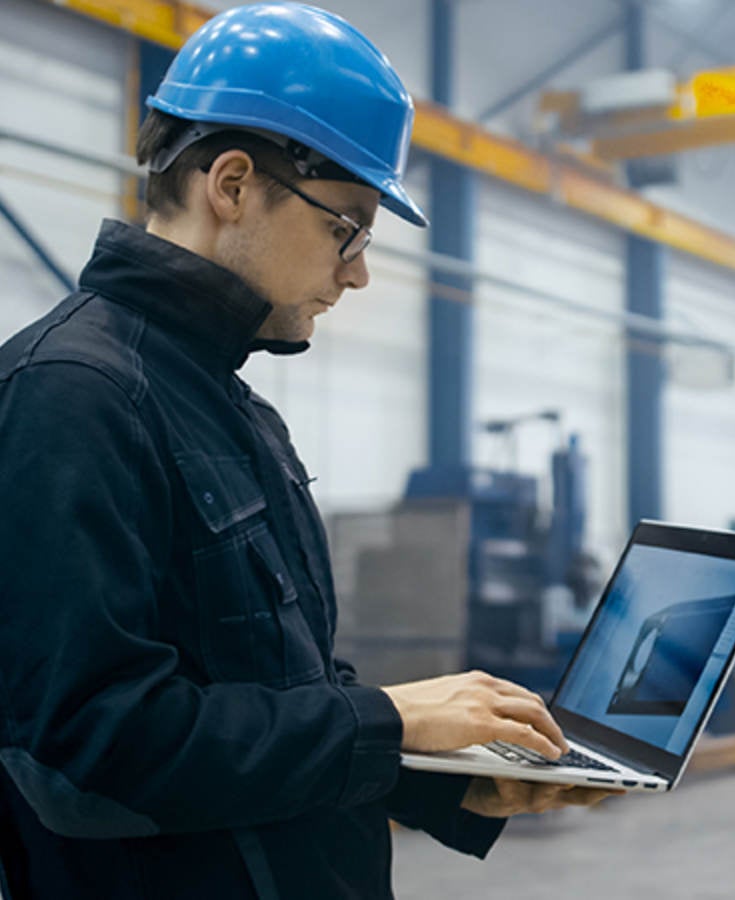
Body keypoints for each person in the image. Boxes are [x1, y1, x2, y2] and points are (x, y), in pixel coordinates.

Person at [0, 4, 613, 898]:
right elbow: (91, 750)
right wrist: (390, 722)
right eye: (347, 227)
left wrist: (449, 782)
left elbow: (282, 694)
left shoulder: (232, 408)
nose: (358, 270)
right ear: (235, 185)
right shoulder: (71, 397)